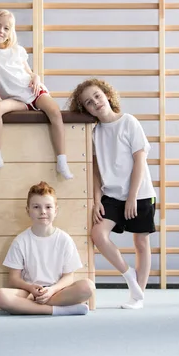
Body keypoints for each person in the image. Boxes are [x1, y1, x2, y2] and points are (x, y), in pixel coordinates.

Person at [68, 78, 156, 310]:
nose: (95, 102)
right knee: (98, 234)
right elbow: (96, 171)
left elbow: (139, 161)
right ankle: (130, 280)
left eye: (97, 96)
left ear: (107, 94)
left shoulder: (129, 122)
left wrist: (132, 197)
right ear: (85, 109)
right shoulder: (95, 133)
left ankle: (139, 296)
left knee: (141, 242)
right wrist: (97, 200)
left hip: (140, 193)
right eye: (88, 102)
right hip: (112, 195)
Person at [0, 10, 73, 178]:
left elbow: (30, 72)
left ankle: (62, 160)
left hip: (33, 92)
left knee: (54, 112)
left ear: (11, 32)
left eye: (6, 28)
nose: (1, 31)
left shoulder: (16, 50)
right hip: (15, 99)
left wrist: (36, 77)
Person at [0, 181, 94, 316]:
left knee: (88, 287)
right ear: (28, 210)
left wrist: (51, 290)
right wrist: (31, 288)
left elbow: (69, 276)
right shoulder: (21, 241)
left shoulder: (64, 239)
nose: (43, 212)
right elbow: (13, 278)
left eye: (48, 207)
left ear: (56, 210)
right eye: (36, 207)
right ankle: (59, 310)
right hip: (29, 293)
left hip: (57, 291)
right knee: (0, 295)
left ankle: (30, 307)